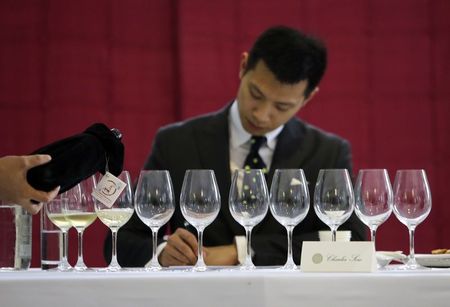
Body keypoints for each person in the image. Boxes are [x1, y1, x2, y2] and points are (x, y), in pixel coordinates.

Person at [113, 25, 366, 267]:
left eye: (282, 107)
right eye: (256, 94)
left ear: (308, 97)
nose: (262, 114)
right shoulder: (176, 142)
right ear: (243, 66)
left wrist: (241, 251)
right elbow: (122, 239)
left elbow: (350, 243)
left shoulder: (327, 153)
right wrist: (161, 253)